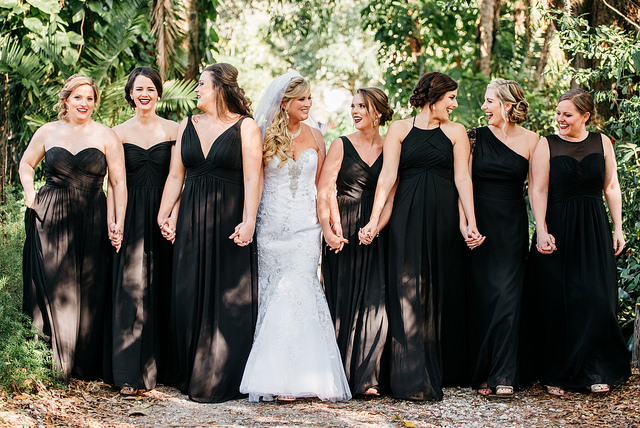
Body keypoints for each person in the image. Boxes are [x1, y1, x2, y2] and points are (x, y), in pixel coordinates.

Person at [360, 72, 484, 401]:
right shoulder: (399, 129)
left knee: (437, 292)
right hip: (406, 217)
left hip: (443, 219)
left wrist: (470, 222)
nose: (455, 105)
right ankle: (409, 377)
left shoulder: (456, 132)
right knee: (406, 293)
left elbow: (463, 180)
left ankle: (435, 372)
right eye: (451, 99)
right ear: (433, 98)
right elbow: (387, 177)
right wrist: (374, 221)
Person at [240, 71, 351, 403]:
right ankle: (272, 376)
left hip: (305, 229)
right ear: (285, 103)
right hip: (270, 227)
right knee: (273, 296)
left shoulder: (317, 136)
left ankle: (300, 377)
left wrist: (330, 229)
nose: (309, 104)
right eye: (302, 99)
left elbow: (322, 190)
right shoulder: (261, 135)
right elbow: (254, 184)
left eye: (310, 98)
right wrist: (249, 222)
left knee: (300, 292)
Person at [156, 63, 262, 402]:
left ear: (219, 88)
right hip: (190, 219)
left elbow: (252, 178)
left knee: (227, 296)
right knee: (188, 291)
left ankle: (221, 375)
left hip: (230, 219)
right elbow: (176, 176)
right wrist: (165, 213)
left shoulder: (245, 127)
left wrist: (249, 220)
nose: (196, 89)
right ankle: (189, 371)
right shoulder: (187, 124)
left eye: (201, 84)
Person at [20, 74, 127, 381]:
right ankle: (49, 362)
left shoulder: (106, 135)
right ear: (65, 100)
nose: (84, 103)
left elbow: (118, 183)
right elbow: (26, 165)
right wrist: (30, 194)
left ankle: (82, 364)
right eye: (78, 97)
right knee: (53, 285)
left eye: (90, 98)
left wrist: (116, 221)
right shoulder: (47, 131)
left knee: (88, 287)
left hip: (92, 215)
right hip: (49, 215)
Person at [524, 88, 630, 395]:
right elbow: (538, 190)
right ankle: (555, 373)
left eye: (567, 115)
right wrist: (541, 230)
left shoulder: (602, 143)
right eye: (558, 113)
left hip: (594, 227)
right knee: (558, 300)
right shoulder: (548, 144)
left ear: (586, 116)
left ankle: (596, 368)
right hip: (557, 228)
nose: (560, 119)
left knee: (597, 298)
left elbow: (611, 187)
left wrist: (618, 227)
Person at [317, 88, 394, 396]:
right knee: (341, 300)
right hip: (343, 227)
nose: (355, 110)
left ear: (378, 111)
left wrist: (375, 227)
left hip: (375, 230)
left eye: (362, 106)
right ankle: (339, 375)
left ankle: (368, 378)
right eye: (353, 106)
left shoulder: (392, 146)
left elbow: (389, 197)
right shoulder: (341, 144)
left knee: (375, 304)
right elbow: (325, 189)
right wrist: (330, 229)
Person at [109, 67, 179, 395]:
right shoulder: (117, 133)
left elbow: (182, 178)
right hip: (132, 213)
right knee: (131, 290)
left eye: (150, 88)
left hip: (164, 216)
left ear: (159, 92)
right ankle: (128, 373)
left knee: (163, 285)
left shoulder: (175, 130)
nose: (145, 94)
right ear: (130, 94)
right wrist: (115, 222)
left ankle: (163, 369)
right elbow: (114, 184)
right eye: (139, 89)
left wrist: (173, 217)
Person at [466, 79, 538, 397]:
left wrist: (543, 228)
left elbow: (537, 190)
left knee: (508, 298)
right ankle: (482, 372)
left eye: (489, 101)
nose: (484, 107)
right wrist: (467, 224)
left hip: (511, 227)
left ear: (507, 105)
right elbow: (462, 183)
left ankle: (504, 373)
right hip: (478, 227)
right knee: (483, 298)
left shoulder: (533, 141)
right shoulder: (474, 138)